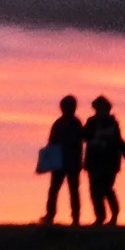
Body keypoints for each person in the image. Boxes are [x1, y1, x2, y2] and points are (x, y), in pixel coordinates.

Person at [83, 95, 125, 225]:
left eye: (102, 108)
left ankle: (114, 215)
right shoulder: (91, 122)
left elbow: (118, 141)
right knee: (95, 191)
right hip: (93, 161)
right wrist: (95, 138)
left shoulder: (112, 123)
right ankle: (100, 217)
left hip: (109, 162)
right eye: (97, 108)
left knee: (106, 188)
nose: (99, 110)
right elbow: (84, 136)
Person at [42, 95, 86, 226]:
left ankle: (74, 218)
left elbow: (77, 141)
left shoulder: (75, 123)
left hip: (71, 162)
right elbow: (51, 142)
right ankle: (51, 215)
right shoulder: (60, 123)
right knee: (56, 189)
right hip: (61, 161)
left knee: (71, 190)